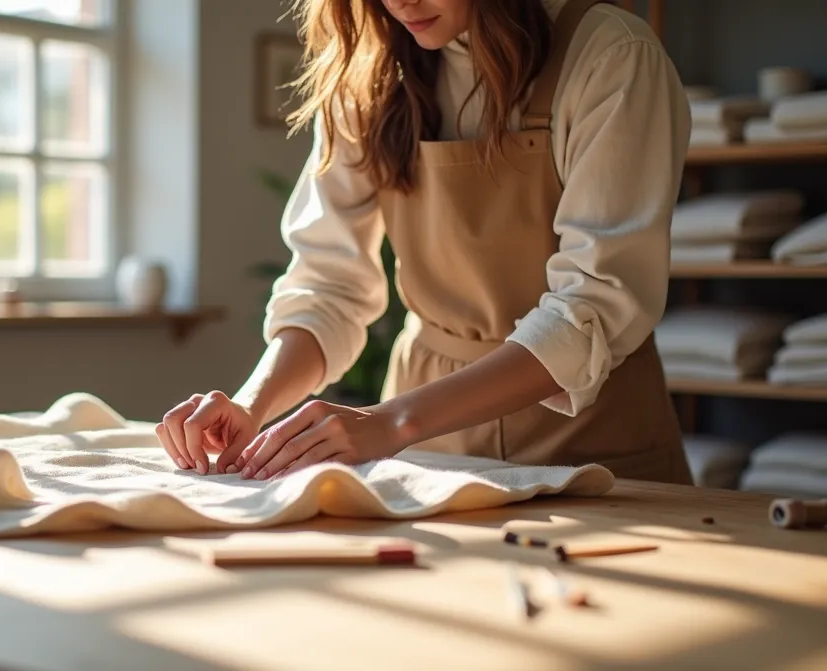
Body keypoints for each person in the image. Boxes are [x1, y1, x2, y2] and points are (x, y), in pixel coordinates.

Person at [156, 0, 694, 485]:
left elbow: (592, 304)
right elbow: (328, 285)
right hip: (428, 452)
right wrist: (253, 405)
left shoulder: (611, 58)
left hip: (593, 445)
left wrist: (391, 421)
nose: (400, 2)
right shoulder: (365, 75)